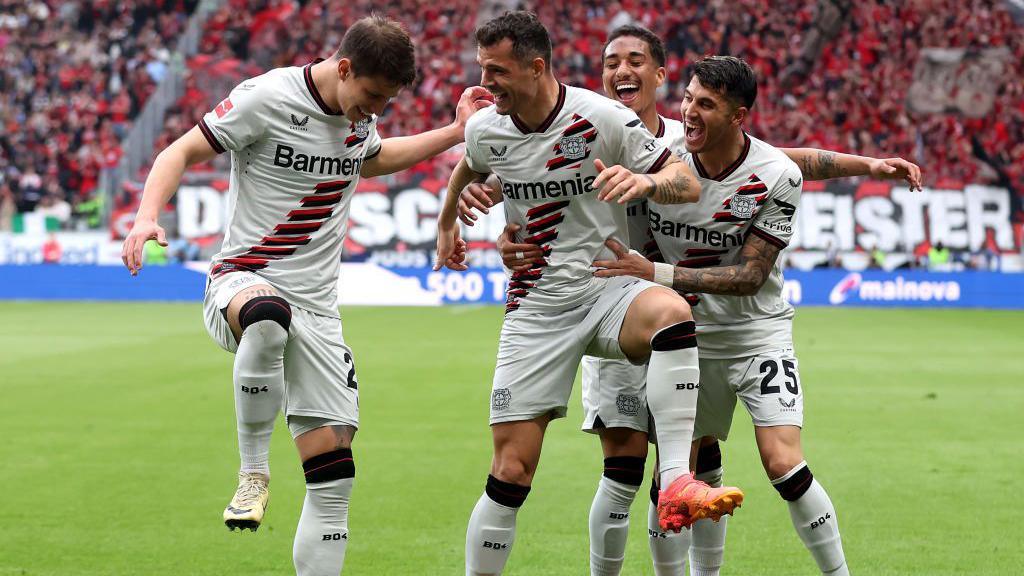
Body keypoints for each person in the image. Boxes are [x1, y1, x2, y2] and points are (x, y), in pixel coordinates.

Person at [462, 25, 921, 576]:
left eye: (637, 61)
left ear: (661, 75)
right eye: (611, 62)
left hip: (714, 324)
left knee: (728, 467)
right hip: (630, 310)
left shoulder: (690, 148)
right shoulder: (612, 135)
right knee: (631, 469)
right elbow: (519, 178)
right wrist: (500, 231)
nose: (621, 72)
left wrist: (862, 165)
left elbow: (774, 163)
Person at [121, 15, 489, 575]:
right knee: (270, 318)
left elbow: (379, 157)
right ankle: (253, 474)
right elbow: (178, 153)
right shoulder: (266, 98)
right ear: (343, 69)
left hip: (318, 310)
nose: (376, 111)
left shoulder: (353, 116)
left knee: (334, 478)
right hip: (243, 280)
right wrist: (146, 217)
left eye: (386, 102)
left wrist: (456, 131)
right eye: (371, 96)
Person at [434, 12, 744, 576]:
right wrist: (447, 223)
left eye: (497, 70)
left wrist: (645, 181)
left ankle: (675, 478)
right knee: (511, 471)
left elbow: (687, 181)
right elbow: (468, 167)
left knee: (671, 313)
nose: (487, 82)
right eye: (483, 68)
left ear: (536, 67)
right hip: (535, 308)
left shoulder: (603, 118)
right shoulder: (486, 128)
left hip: (606, 289)